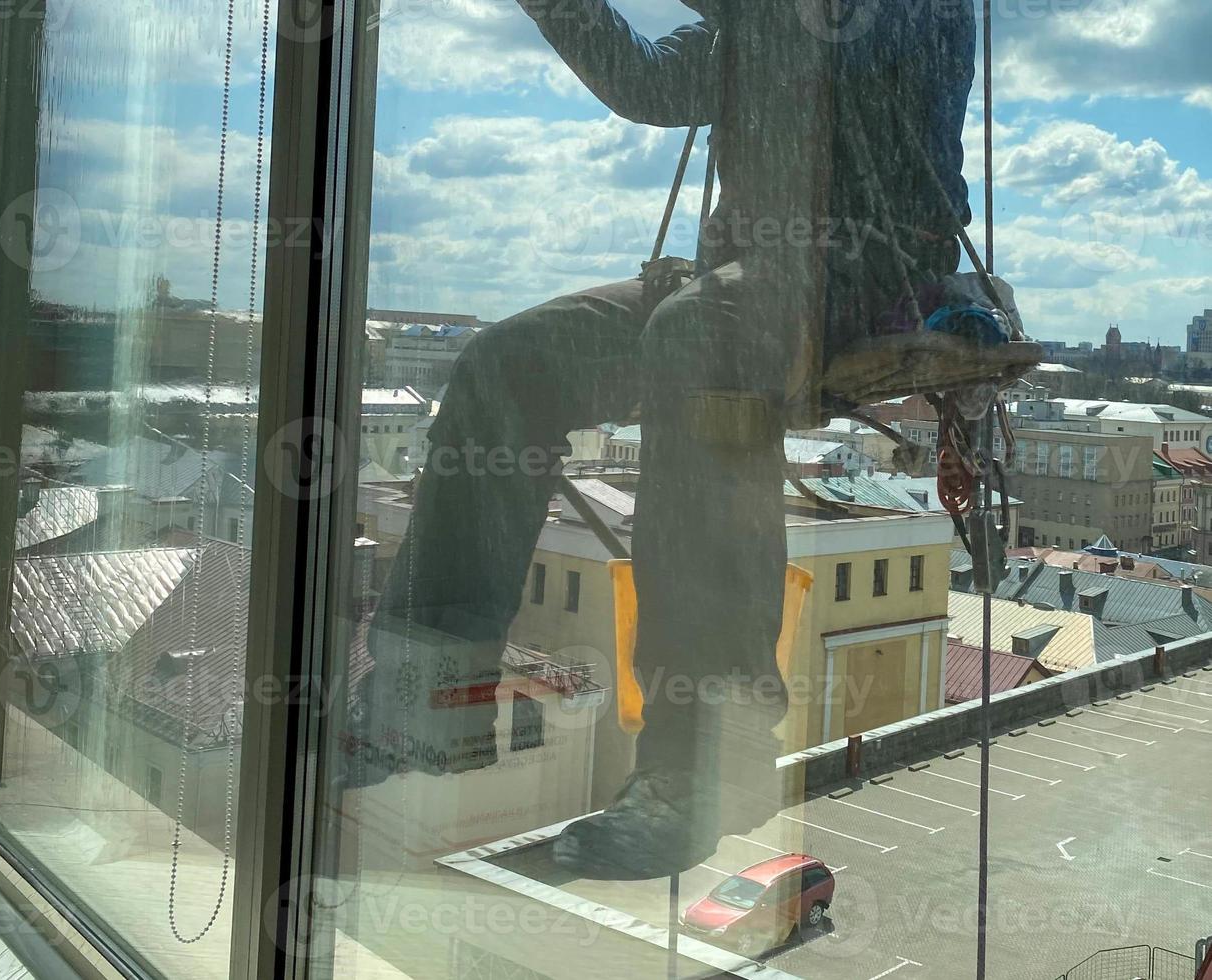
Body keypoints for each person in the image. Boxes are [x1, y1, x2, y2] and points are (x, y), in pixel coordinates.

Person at [344, 0, 978, 880]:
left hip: (871, 266)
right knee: (504, 362)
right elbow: (648, 83)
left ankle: (701, 758)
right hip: (743, 274)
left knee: (693, 343)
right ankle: (429, 698)